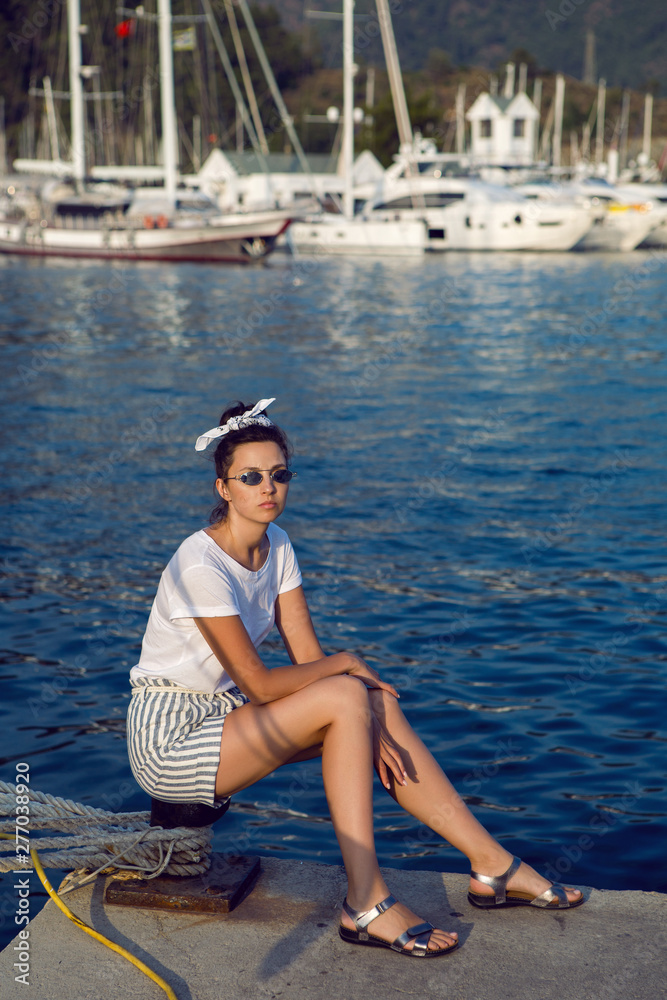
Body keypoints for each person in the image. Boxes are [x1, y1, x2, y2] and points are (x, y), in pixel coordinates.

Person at [127, 398, 584, 960]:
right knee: (350, 690)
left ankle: (492, 866)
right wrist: (347, 663)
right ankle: (366, 903)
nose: (268, 488)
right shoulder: (201, 564)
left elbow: (307, 661)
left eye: (279, 475)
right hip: (170, 738)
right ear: (223, 487)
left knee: (373, 702)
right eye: (250, 477)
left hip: (225, 718)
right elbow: (264, 686)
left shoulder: (278, 545)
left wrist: (364, 710)